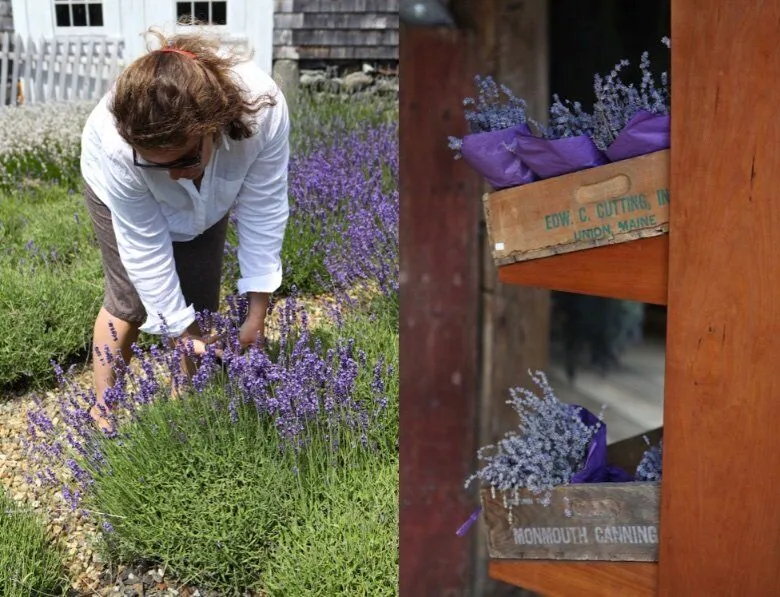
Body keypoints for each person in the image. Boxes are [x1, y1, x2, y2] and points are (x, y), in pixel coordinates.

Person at [80, 27, 290, 431]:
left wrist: (257, 312)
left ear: (212, 126)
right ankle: (103, 414)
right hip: (118, 194)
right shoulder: (115, 147)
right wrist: (177, 329)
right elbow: (145, 248)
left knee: (200, 302)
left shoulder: (262, 111)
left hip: (214, 190)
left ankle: (184, 413)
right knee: (129, 301)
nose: (174, 175)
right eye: (158, 164)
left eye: (184, 160)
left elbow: (263, 209)